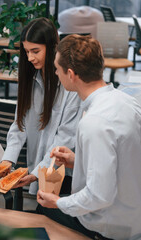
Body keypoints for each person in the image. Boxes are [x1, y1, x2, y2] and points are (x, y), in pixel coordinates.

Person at [37, 34, 141, 240]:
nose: (56, 74)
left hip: (112, 226)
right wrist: (77, 162)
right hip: (134, 213)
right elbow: (125, 161)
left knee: (43, 212)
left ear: (71, 74)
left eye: (57, 69)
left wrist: (57, 202)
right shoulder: (128, 101)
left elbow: (98, 196)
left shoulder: (93, 122)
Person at [2, 17, 82, 195]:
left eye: (35, 51)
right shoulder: (31, 79)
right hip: (37, 166)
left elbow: (65, 139)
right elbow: (19, 124)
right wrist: (8, 160)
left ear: (53, 47)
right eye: (27, 52)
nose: (30, 57)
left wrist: (37, 173)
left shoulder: (70, 85)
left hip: (63, 175)